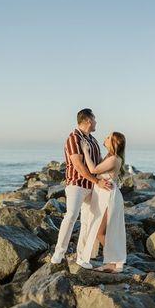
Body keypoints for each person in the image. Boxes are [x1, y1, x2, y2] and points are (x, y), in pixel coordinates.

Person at [50, 108, 113, 267]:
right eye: (95, 119)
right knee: (71, 216)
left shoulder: (93, 140)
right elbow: (77, 164)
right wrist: (96, 181)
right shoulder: (73, 138)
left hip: (92, 187)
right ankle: (59, 253)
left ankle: (82, 257)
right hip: (76, 185)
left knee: (88, 221)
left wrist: (113, 158)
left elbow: (98, 165)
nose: (97, 122)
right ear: (88, 120)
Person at [77, 131, 127, 273]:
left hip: (109, 196)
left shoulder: (113, 159)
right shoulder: (109, 157)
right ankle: (115, 262)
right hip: (105, 194)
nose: (105, 138)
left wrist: (85, 151)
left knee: (101, 232)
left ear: (114, 143)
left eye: (108, 137)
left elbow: (93, 169)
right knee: (106, 230)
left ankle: (114, 263)